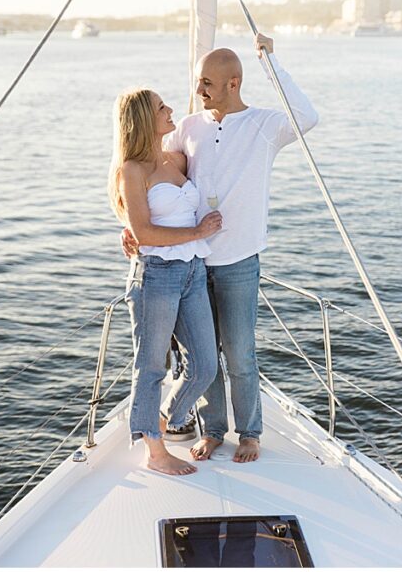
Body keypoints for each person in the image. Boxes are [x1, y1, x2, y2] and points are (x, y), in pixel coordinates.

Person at [123, 33, 319, 464]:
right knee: (203, 356)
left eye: (207, 83)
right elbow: (148, 170)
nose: (197, 91)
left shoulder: (265, 126)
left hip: (237, 262)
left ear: (233, 83)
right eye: (198, 82)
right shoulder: (189, 127)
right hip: (189, 264)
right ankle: (213, 430)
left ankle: (249, 432)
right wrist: (130, 223)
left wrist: (269, 61)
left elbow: (307, 116)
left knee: (240, 354)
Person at [109, 88, 222, 475]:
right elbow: (143, 231)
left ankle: (158, 420)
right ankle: (155, 453)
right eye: (161, 107)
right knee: (152, 365)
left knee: (205, 364)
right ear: (142, 119)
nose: (170, 109)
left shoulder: (175, 160)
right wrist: (197, 232)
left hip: (192, 271)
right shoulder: (131, 170)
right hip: (156, 275)